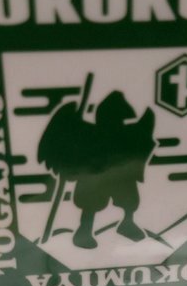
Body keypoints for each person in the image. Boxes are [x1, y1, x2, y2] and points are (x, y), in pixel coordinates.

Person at [38, 90, 156, 249]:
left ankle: (127, 224)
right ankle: (84, 230)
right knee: (91, 202)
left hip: (121, 178)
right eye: (116, 118)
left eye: (121, 119)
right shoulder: (90, 133)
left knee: (128, 199)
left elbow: (142, 137)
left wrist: (148, 118)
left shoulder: (126, 134)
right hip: (92, 177)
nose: (119, 122)